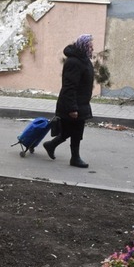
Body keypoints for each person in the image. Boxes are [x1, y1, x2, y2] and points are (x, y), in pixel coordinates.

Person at [43, 34, 94, 168]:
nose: (92, 47)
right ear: (83, 46)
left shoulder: (84, 60)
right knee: (74, 131)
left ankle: (51, 145)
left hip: (81, 102)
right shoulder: (74, 62)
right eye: (90, 45)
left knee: (72, 131)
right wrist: (72, 108)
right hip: (72, 103)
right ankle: (75, 158)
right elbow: (69, 86)